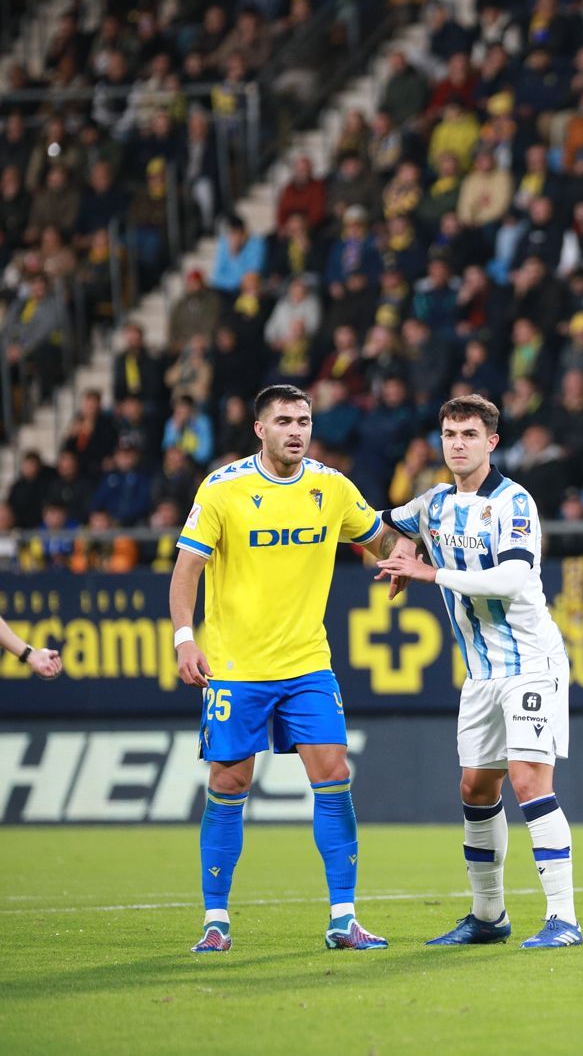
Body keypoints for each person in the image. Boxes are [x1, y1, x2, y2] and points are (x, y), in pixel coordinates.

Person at [171, 385, 413, 954]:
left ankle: (344, 918)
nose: (296, 430)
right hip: (236, 666)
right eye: (283, 421)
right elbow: (186, 570)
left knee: (333, 776)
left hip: (307, 664)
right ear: (260, 429)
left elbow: (378, 536)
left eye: (303, 420)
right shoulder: (224, 489)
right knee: (230, 783)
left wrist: (402, 561)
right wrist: (186, 638)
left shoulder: (330, 487)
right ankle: (216, 920)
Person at [374, 395, 581, 950]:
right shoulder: (433, 503)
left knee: (528, 780)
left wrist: (426, 571)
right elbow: (373, 526)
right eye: (448, 434)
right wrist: (396, 551)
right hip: (481, 673)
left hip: (531, 664)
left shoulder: (515, 502)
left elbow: (512, 579)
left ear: (492, 442)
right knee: (474, 786)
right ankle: (488, 916)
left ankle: (563, 919)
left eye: (469, 434)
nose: (457, 443)